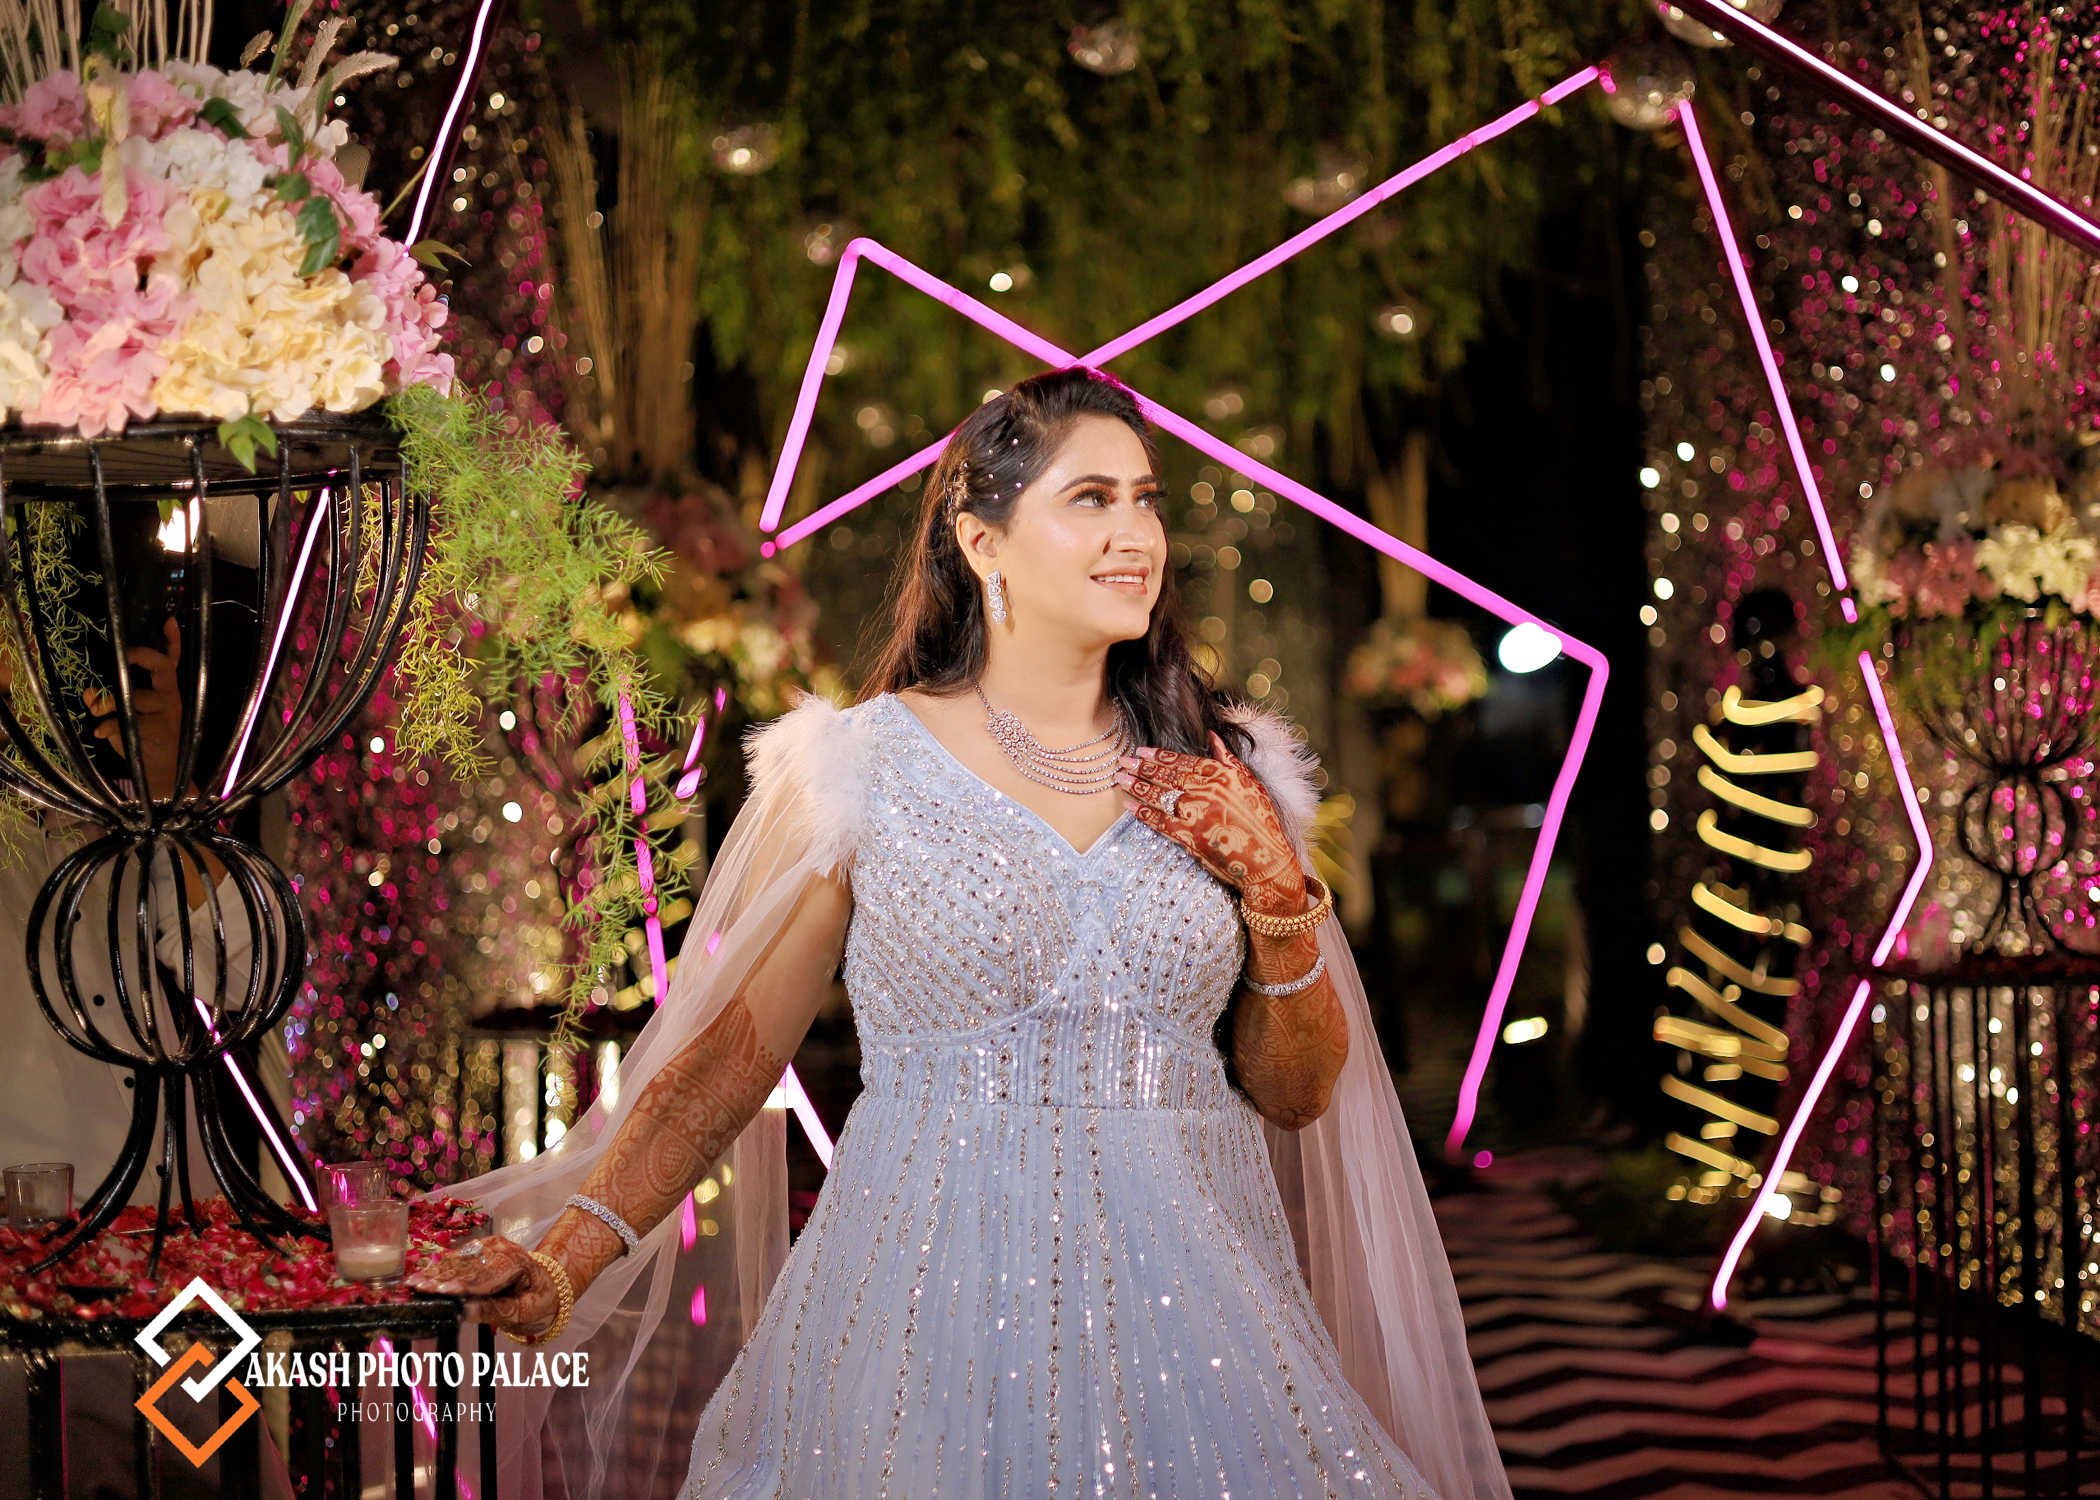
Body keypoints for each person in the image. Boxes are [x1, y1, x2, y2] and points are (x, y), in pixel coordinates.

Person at [409, 368, 1510, 1500]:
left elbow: (1296, 1092)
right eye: (1091, 499)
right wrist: (569, 1257)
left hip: (1197, 1317)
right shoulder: (858, 768)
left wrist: (1279, 892)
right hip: (923, 1305)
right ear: (982, 542)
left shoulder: (1226, 776)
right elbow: (726, 1066)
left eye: (1146, 499)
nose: (1136, 533)